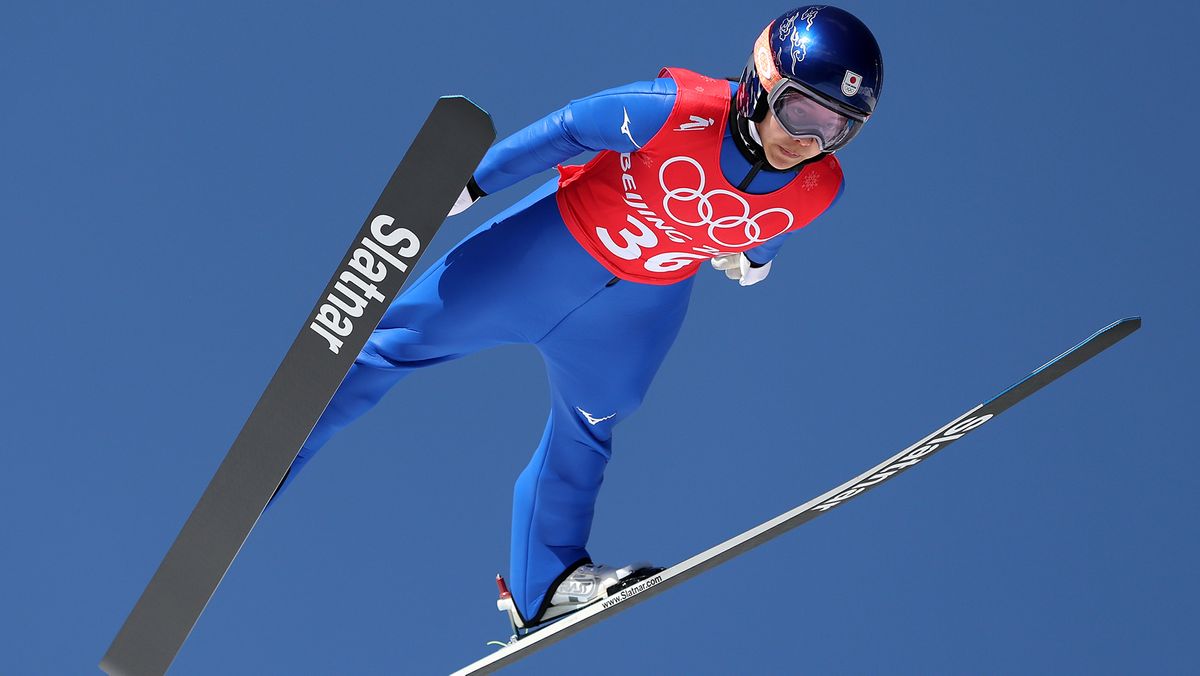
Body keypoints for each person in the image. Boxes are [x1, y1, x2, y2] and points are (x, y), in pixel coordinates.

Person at [268, 4, 883, 633]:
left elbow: (771, 230)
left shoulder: (818, 187)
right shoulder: (678, 107)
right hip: (541, 256)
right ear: (762, 78)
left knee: (588, 432)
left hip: (633, 317)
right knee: (390, 347)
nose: (808, 140)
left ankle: (546, 584)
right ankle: (270, 460)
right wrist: (471, 183)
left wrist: (756, 259)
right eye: (802, 111)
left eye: (838, 128)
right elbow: (567, 130)